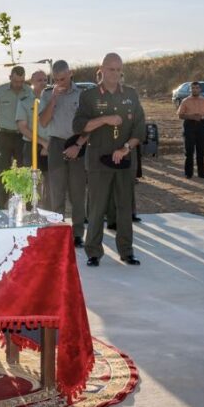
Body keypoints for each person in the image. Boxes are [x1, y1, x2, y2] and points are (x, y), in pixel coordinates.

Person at [74, 53, 146, 267]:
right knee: (97, 208)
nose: (115, 74)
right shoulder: (89, 96)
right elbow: (79, 126)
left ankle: (126, 251)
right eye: (111, 69)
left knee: (125, 208)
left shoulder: (131, 95)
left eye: (118, 70)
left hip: (124, 160)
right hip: (98, 161)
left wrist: (126, 148)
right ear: (102, 69)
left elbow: (139, 128)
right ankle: (93, 252)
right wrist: (104, 119)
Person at [40, 60, 86, 246]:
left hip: (77, 143)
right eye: (57, 79)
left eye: (64, 78)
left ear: (71, 73)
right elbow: (43, 122)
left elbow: (87, 124)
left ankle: (77, 234)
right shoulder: (47, 94)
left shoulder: (82, 94)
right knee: (56, 192)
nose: (61, 82)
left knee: (77, 192)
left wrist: (80, 144)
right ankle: (58, 231)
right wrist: (53, 100)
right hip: (57, 144)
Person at [0, 66, 32, 207]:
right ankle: (2, 205)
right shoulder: (0, 92)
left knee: (24, 170)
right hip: (4, 136)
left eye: (21, 81)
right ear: (10, 78)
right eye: (15, 81)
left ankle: (27, 206)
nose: (18, 84)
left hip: (22, 136)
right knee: (2, 171)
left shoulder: (29, 91)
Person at [16, 69, 50, 194]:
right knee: (30, 184)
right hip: (32, 146)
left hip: (52, 145)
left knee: (51, 185)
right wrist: (43, 142)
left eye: (45, 80)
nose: (43, 83)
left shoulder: (53, 99)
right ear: (32, 82)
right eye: (39, 80)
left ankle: (49, 212)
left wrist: (49, 143)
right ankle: (30, 211)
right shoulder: (24, 101)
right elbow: (22, 127)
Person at [177, 80, 204, 178]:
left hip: (202, 125)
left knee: (201, 150)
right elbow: (180, 115)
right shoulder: (185, 101)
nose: (195, 90)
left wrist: (201, 117)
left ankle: (201, 174)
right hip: (189, 125)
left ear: (200, 89)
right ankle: (188, 173)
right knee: (189, 151)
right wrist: (191, 116)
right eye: (193, 88)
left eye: (197, 88)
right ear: (190, 89)